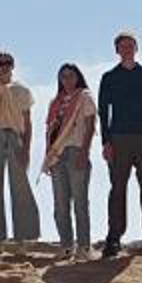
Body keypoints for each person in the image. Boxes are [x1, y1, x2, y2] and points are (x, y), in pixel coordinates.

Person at [97, 31, 142, 257]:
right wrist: (106, 141)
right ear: (117, 50)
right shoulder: (109, 77)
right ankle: (114, 238)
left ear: (136, 48)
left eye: (130, 45)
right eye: (122, 46)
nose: (127, 49)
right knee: (117, 188)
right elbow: (103, 112)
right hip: (118, 138)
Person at [0, 51, 40, 245]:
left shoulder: (22, 90)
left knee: (20, 184)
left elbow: (28, 122)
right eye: (0, 63)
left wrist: (27, 149)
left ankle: (26, 234)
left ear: (12, 66)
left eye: (7, 63)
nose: (4, 67)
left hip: (15, 136)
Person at [41, 63, 96, 257]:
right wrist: (47, 157)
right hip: (57, 155)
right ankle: (66, 245)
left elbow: (90, 126)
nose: (67, 80)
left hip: (76, 150)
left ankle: (84, 246)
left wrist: (85, 152)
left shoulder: (84, 97)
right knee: (60, 204)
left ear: (77, 77)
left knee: (80, 202)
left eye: (71, 75)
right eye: (63, 76)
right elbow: (50, 132)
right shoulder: (55, 102)